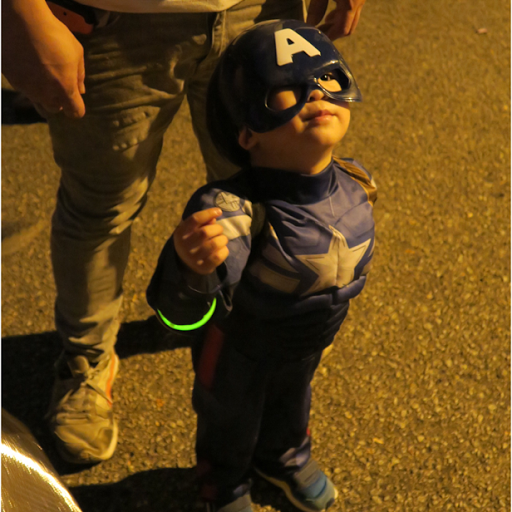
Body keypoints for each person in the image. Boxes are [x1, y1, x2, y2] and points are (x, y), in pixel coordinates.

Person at [2, 0, 366, 465]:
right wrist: (19, 13)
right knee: (100, 208)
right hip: (117, 18)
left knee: (278, 190)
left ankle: (264, 333)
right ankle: (85, 359)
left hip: (258, 7)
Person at [146, 20, 376, 512]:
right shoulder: (231, 211)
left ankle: (284, 457)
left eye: (326, 78)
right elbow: (180, 317)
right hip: (240, 351)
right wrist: (191, 268)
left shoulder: (355, 181)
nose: (316, 93)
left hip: (307, 341)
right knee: (230, 419)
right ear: (247, 133)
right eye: (286, 89)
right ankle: (223, 484)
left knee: (293, 403)